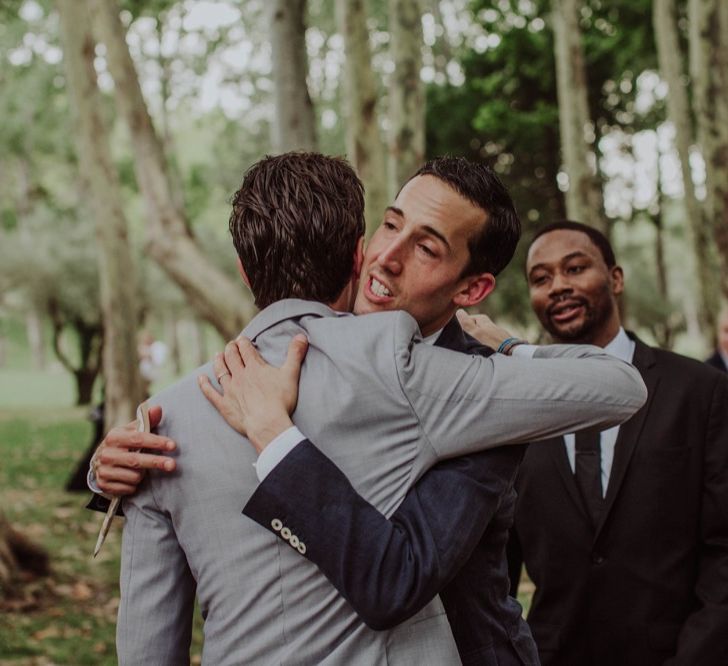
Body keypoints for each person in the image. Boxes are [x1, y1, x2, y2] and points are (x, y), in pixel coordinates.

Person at [92, 156, 645, 665]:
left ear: (472, 289)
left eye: (426, 248)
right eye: (389, 224)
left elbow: (393, 581)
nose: (389, 256)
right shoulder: (165, 420)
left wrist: (510, 350)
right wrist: (108, 470)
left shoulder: (474, 384)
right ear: (356, 249)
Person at [503, 221, 728, 666]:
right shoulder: (511, 407)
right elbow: (499, 564)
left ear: (616, 278)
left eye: (575, 268)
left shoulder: (701, 391)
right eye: (541, 278)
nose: (559, 287)